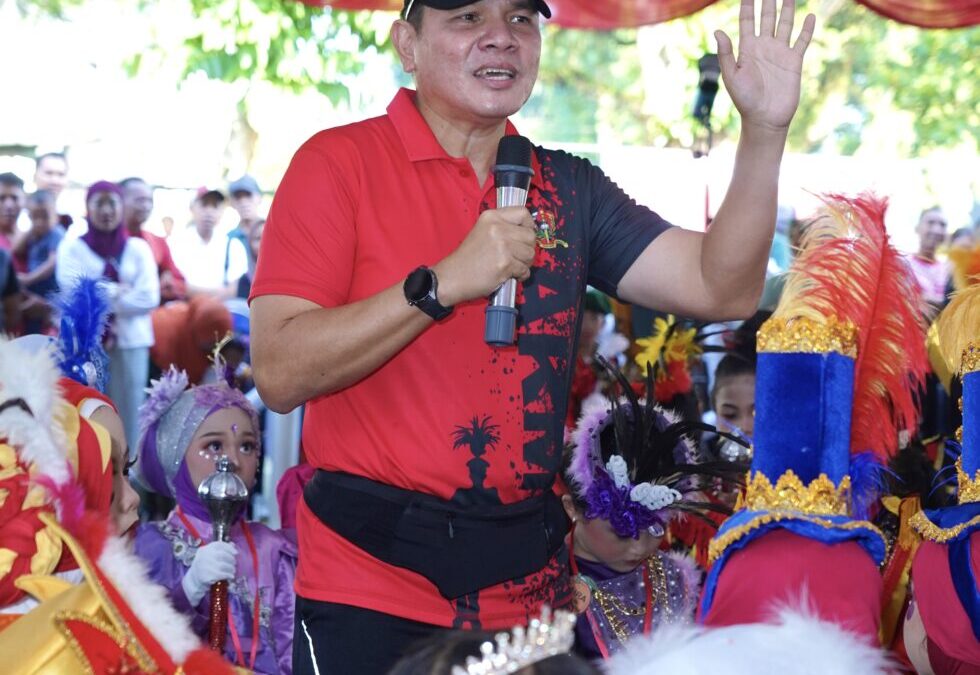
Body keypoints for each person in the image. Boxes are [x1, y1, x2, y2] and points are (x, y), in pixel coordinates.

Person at [248, 1, 814, 673]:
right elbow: (280, 372)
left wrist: (765, 132)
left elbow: (722, 287)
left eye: (521, 18)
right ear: (407, 42)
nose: (501, 37)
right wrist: (439, 284)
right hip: (370, 586)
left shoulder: (568, 187)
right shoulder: (338, 163)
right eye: (466, 16)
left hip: (527, 597)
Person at [700, 194, 928, 644]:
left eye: (758, 413)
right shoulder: (702, 492)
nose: (745, 425)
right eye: (731, 413)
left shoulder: (885, 526)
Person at [561, 362, 736, 659]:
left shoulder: (673, 579)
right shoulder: (545, 582)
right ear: (572, 508)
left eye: (655, 528)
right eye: (621, 530)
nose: (639, 547)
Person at [133, 368, 296, 674]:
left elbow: (290, 646)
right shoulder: (151, 549)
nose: (232, 460)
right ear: (176, 457)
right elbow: (138, 644)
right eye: (214, 446)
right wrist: (189, 588)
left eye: (247, 446)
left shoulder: (275, 549)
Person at [56, 180, 160, 451]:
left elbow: (149, 297)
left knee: (130, 413)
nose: (106, 210)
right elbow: (73, 293)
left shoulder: (138, 248)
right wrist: (118, 291)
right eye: (98, 203)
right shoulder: (72, 248)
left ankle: (130, 482)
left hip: (131, 343)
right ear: (88, 208)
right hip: (89, 345)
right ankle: (98, 481)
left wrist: (97, 292)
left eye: (111, 202)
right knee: (92, 411)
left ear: (121, 206)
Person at [171, 188, 248, 300]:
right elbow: (176, 286)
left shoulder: (233, 245)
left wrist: (190, 290)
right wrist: (217, 291)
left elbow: (232, 291)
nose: (209, 211)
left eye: (215, 206)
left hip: (220, 310)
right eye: (204, 205)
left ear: (222, 212)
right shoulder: (176, 242)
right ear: (192, 208)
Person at [121, 177, 187, 303]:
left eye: (149, 201)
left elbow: (180, 281)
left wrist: (169, 283)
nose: (146, 206)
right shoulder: (108, 242)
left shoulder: (157, 242)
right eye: (139, 200)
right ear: (120, 201)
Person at [16, 190, 64, 334]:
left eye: (45, 216)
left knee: (49, 322)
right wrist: (31, 230)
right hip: (35, 289)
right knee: (32, 324)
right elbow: (16, 249)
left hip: (48, 287)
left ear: (55, 215)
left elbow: (52, 262)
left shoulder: (56, 233)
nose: (40, 222)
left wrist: (28, 279)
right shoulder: (34, 234)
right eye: (34, 217)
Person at [905, 206, 949, 317]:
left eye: (942, 225)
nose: (937, 230)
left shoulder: (949, 270)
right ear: (917, 228)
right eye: (931, 223)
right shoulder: (902, 264)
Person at [0, 172, 25, 250]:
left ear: (25, 200)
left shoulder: (31, 239)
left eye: (14, 198)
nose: (9, 205)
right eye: (2, 198)